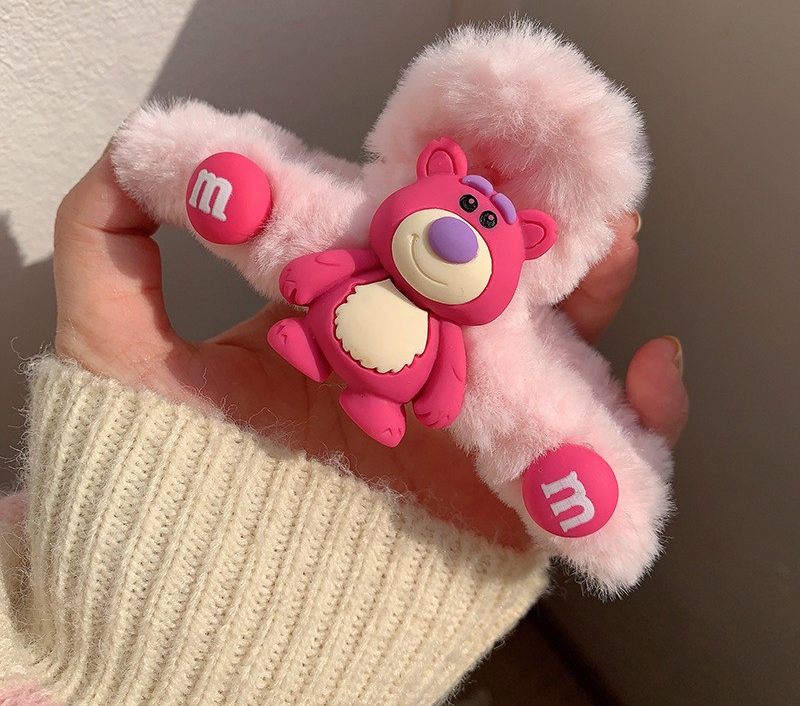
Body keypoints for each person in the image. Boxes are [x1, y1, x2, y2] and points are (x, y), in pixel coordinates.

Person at [0, 149, 688, 705]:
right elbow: (331, 271)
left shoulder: (467, 338)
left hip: (390, 383)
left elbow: (449, 370)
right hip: (330, 337)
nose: (454, 237)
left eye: (483, 224)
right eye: (460, 208)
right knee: (311, 342)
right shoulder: (376, 258)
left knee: (377, 394)